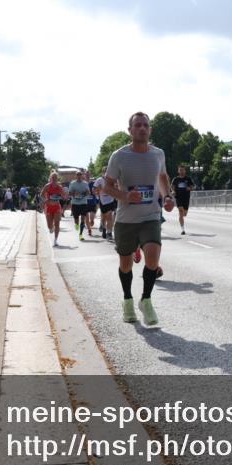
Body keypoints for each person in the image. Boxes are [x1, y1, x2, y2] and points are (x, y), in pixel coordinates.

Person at [102, 112, 175, 326]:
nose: (142, 128)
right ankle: (127, 300)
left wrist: (168, 196)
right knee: (125, 264)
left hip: (150, 216)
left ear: (150, 130)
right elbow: (106, 185)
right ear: (130, 130)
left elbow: (162, 177)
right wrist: (124, 196)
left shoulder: (158, 154)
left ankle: (146, 300)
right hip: (126, 220)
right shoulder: (120, 156)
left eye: (145, 125)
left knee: (152, 257)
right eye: (138, 125)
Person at [40, 171, 67, 247]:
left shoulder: (59, 187)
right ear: (50, 178)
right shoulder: (47, 186)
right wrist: (45, 200)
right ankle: (52, 228)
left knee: (57, 223)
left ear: (57, 178)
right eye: (53, 177)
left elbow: (64, 196)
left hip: (57, 207)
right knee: (49, 226)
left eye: (56, 178)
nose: (54, 179)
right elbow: (41, 195)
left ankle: (55, 240)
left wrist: (64, 197)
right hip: (48, 207)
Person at [68, 171, 93, 240]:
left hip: (83, 203)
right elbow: (69, 193)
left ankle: (81, 234)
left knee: (83, 219)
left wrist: (85, 193)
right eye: (77, 175)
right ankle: (76, 225)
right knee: (76, 220)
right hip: (75, 203)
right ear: (75, 176)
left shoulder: (85, 183)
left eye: (80, 175)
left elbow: (88, 192)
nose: (79, 176)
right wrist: (74, 193)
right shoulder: (72, 183)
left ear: (82, 176)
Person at [172, 165, 195, 235]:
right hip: (178, 197)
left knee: (184, 213)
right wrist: (173, 191)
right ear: (178, 171)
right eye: (180, 170)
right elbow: (172, 186)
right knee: (181, 211)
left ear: (185, 171)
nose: (181, 171)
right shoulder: (176, 179)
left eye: (183, 170)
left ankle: (183, 215)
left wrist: (189, 188)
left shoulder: (188, 179)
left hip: (186, 198)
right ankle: (182, 229)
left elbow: (193, 186)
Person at [94, 174, 117, 239]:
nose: (106, 174)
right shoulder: (99, 180)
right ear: (102, 173)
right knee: (103, 217)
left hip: (110, 200)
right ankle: (104, 229)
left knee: (109, 216)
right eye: (105, 172)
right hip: (102, 201)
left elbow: (116, 186)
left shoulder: (112, 179)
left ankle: (109, 233)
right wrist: (97, 191)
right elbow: (94, 189)